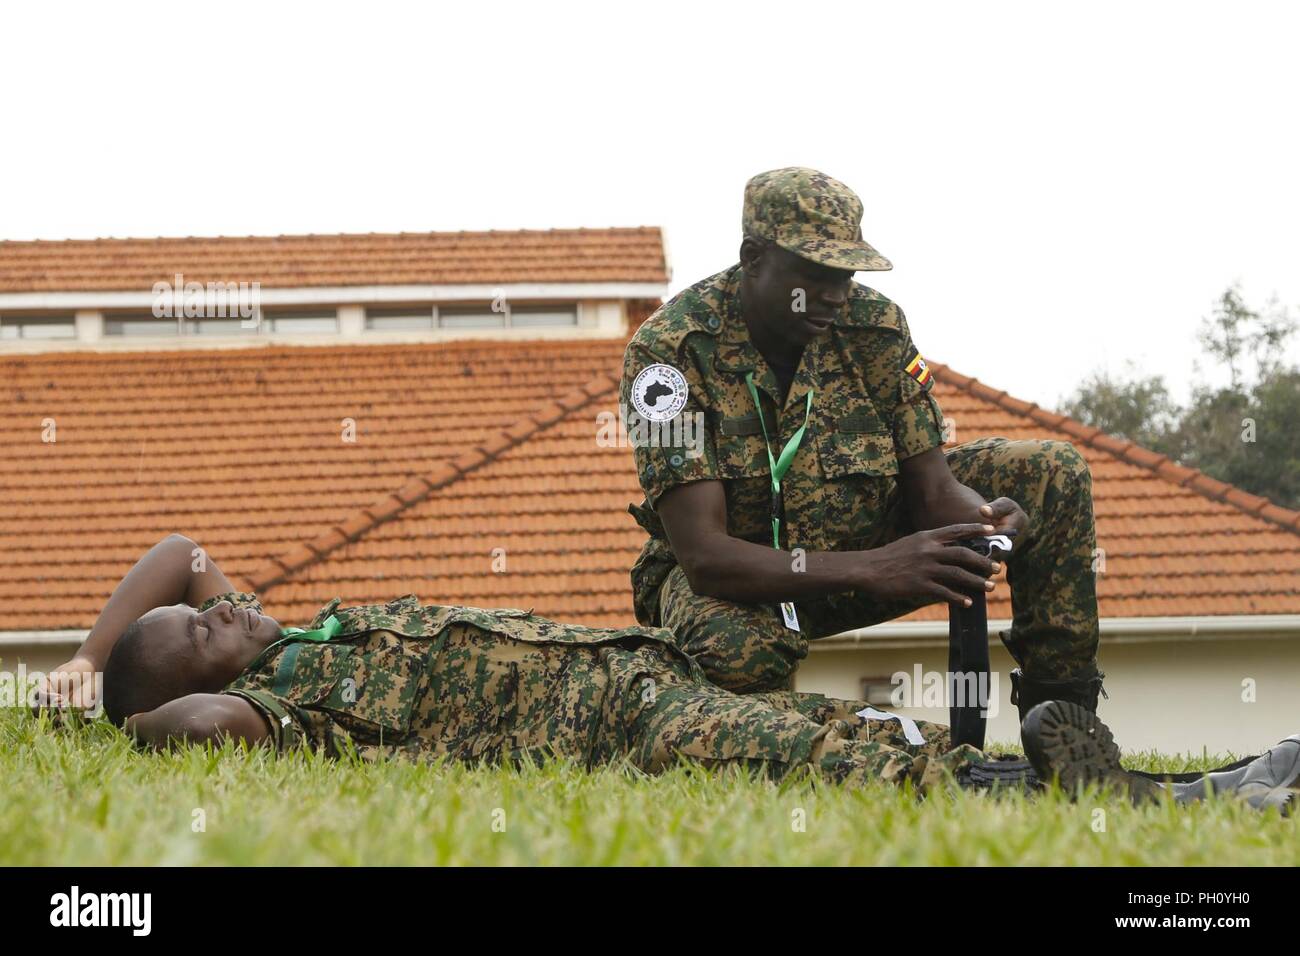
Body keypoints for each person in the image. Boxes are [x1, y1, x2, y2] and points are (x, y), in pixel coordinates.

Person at [38, 535, 1300, 811]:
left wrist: (92, 656)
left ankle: (1200, 774)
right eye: (210, 627)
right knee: (837, 750)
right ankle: (1196, 798)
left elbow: (181, 555)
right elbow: (180, 718)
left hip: (652, 661)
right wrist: (121, 709)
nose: (231, 606)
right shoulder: (277, 708)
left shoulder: (295, 632)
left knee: (786, 674)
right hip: (624, 729)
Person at [621, 167, 1107, 734]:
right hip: (742, 582)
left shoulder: (874, 326)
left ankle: (1065, 730)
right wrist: (877, 567)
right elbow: (705, 558)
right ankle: (840, 741)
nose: (835, 293)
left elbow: (933, 490)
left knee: (1051, 470)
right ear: (752, 256)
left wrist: (981, 520)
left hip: (862, 547)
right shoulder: (670, 353)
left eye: (846, 272)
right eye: (815, 273)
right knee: (733, 651)